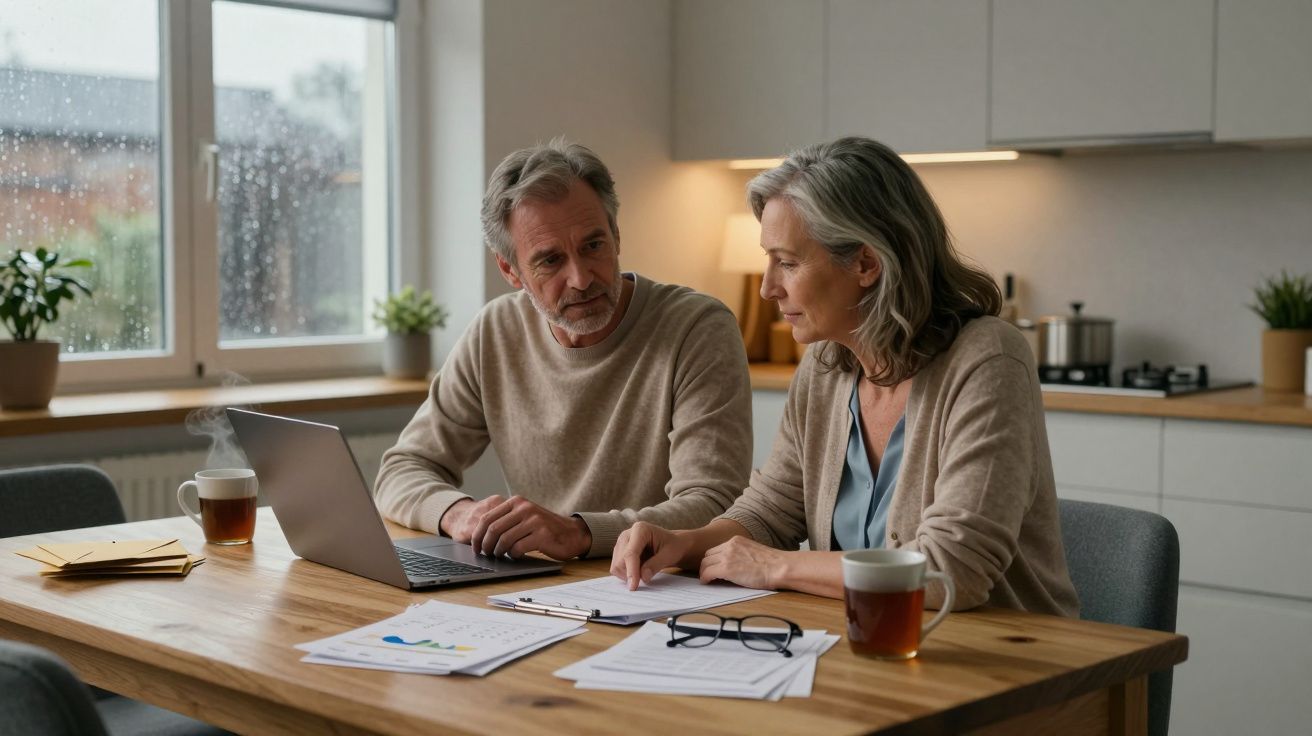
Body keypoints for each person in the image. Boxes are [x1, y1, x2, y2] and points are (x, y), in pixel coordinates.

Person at [611, 136, 1079, 616]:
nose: (770, 287)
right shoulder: (827, 365)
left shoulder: (988, 360)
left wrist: (777, 567)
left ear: (866, 263)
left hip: (1011, 663)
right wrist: (680, 542)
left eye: (787, 263)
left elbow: (949, 572)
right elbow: (770, 511)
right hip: (870, 650)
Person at [374, 139, 752, 561]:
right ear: (510, 270)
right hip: (538, 588)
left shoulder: (696, 328)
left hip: (660, 586)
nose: (581, 277)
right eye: (550, 260)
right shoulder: (495, 332)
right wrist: (459, 514)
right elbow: (401, 470)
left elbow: (716, 505)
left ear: (616, 234)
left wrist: (579, 533)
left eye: (593, 246)